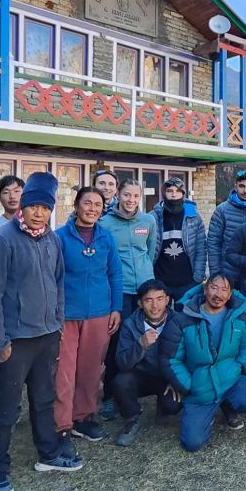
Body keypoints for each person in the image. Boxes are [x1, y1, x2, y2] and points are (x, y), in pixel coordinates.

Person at [0, 172, 82, 491]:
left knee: (43, 399)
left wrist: (58, 322)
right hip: (15, 340)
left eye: (45, 207)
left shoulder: (51, 239)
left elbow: (59, 283)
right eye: (33, 205)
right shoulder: (2, 241)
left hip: (47, 335)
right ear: (22, 205)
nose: (39, 212)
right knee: (6, 408)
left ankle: (48, 454)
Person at [53, 186, 123, 443]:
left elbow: (115, 273)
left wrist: (116, 307)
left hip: (99, 313)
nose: (92, 208)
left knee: (91, 369)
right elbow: (52, 277)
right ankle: (62, 423)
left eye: (98, 204)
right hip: (67, 315)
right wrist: (55, 313)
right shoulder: (59, 238)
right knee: (64, 370)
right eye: (87, 203)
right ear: (76, 205)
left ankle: (83, 417)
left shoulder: (106, 238)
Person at [169, 275, 246, 451]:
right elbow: (171, 358)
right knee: (192, 444)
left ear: (230, 294)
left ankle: (227, 405)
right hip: (200, 389)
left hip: (230, 379)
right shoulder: (183, 319)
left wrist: (239, 367)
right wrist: (188, 386)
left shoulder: (240, 317)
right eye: (214, 288)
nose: (218, 294)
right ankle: (207, 412)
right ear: (204, 290)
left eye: (224, 289)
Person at [98, 178, 157, 420]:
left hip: (144, 289)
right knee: (116, 343)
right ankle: (111, 396)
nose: (131, 200)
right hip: (119, 291)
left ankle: (140, 387)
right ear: (118, 196)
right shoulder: (105, 223)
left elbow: (151, 251)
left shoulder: (148, 220)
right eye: (126, 195)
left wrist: (145, 274)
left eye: (135, 196)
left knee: (147, 338)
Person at [110, 279, 184, 447]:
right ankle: (132, 418)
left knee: (172, 406)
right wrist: (140, 345)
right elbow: (121, 363)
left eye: (159, 299)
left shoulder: (179, 320)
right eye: (148, 300)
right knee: (121, 381)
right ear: (140, 303)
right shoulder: (130, 324)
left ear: (167, 300)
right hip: (141, 375)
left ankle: (162, 407)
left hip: (167, 377)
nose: (155, 305)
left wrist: (175, 380)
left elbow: (188, 356)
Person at [152, 176, 207, 303]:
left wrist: (198, 277)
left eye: (177, 191)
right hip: (160, 280)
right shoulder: (153, 217)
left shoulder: (194, 217)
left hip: (187, 282)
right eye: (169, 191)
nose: (173, 194)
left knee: (185, 319)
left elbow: (201, 249)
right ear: (164, 193)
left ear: (183, 193)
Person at [208, 169, 246, 283]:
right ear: (235, 186)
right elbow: (213, 243)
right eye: (242, 186)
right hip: (228, 273)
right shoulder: (222, 210)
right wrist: (216, 274)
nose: (245, 190)